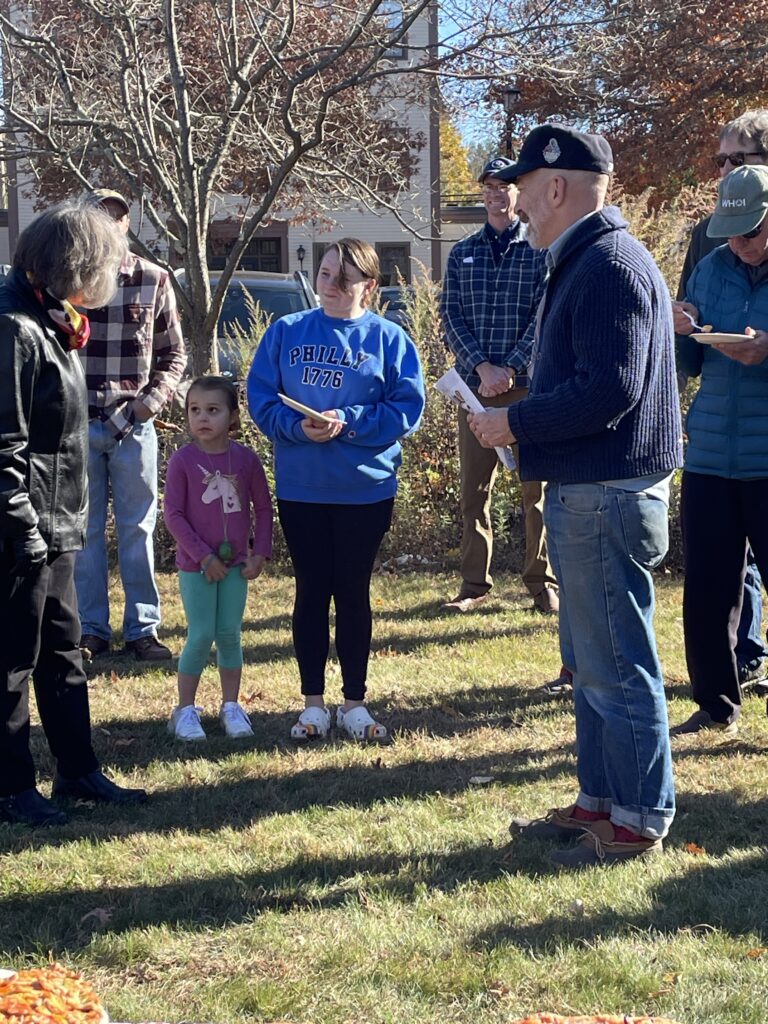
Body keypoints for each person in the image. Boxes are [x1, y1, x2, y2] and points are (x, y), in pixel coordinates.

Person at [469, 125, 682, 867]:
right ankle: (600, 801)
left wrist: (513, 422)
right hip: (599, 489)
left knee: (616, 662)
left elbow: (610, 391)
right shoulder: (596, 258)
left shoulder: (605, 264)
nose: (517, 202)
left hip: (604, 493)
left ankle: (637, 816)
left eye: (524, 188)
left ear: (556, 188)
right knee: (596, 661)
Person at [0, 201, 148, 827]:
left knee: (63, 651)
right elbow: (4, 443)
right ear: (73, 265)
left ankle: (77, 770)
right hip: (20, 530)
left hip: (55, 524)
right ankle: (10, 788)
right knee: (11, 660)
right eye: (104, 267)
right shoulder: (14, 325)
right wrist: (23, 529)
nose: (109, 281)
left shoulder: (48, 318)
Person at [247, 238, 425, 741]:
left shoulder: (390, 340)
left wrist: (346, 421)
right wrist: (294, 426)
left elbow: (406, 411)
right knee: (310, 591)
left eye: (343, 279)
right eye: (325, 274)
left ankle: (354, 704)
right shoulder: (286, 331)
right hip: (302, 487)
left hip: (364, 490)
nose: (330, 286)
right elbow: (260, 397)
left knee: (352, 593)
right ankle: (312, 705)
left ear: (368, 286)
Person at [672, 164, 768, 736]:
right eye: (730, 232)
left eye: (751, 232)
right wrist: (683, 328)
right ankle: (714, 705)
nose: (740, 244)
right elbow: (688, 366)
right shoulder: (709, 269)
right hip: (710, 453)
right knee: (708, 590)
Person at [441, 156, 558, 615]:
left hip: (526, 388)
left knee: (536, 490)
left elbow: (542, 318)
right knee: (475, 490)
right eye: (487, 187)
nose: (495, 195)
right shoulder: (461, 252)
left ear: (517, 193)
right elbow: (450, 316)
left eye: (504, 187)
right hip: (473, 390)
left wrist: (508, 367)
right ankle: (474, 585)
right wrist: (483, 367)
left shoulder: (538, 250)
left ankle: (541, 582)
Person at [75, 188, 187, 662]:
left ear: (126, 224)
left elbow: (174, 354)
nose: (111, 223)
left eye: (118, 216)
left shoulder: (153, 278)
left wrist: (151, 403)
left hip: (132, 424)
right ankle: (91, 631)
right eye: (101, 216)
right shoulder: (70, 279)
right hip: (77, 425)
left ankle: (143, 629)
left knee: (139, 529)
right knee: (84, 531)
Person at [164, 376, 273, 742]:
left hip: (236, 566)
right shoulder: (182, 461)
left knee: (229, 634)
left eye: (213, 410)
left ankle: (230, 706)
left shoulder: (245, 460)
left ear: (232, 417)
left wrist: (259, 553)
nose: (202, 418)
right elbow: (173, 516)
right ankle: (185, 710)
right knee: (201, 634)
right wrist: (204, 557)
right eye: (195, 410)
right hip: (196, 567)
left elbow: (263, 508)